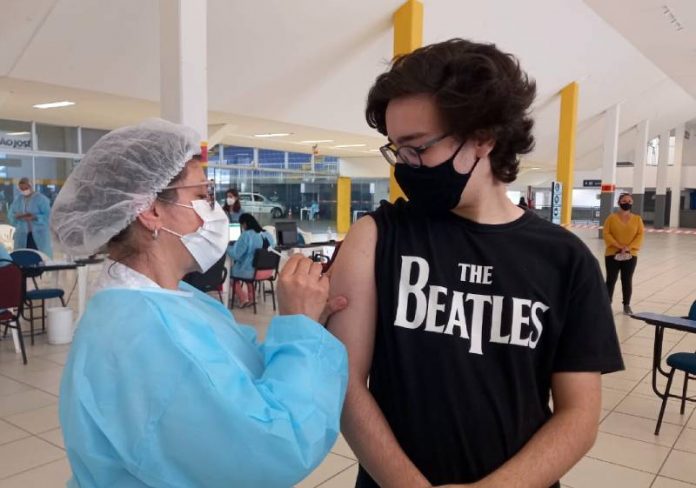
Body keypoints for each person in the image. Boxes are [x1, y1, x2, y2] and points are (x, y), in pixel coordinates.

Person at [327, 39, 624, 488]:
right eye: (396, 150)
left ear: (483, 137)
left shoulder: (565, 260)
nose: (405, 166)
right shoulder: (377, 237)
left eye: (418, 147)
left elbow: (579, 415)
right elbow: (346, 384)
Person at [51, 119, 349, 488]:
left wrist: (310, 319)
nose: (215, 209)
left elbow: (238, 372)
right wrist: (300, 329)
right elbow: (275, 447)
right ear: (151, 211)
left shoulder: (170, 299)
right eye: (203, 195)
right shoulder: (145, 333)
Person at [603, 192, 644, 315]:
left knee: (627, 279)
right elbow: (606, 233)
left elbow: (640, 235)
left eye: (629, 201)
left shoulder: (637, 219)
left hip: (630, 254)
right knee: (611, 279)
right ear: (619, 202)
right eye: (624, 201)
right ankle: (606, 304)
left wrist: (628, 248)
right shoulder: (611, 218)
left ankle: (626, 305)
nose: (627, 203)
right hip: (612, 253)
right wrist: (618, 246)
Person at [228, 213, 276, 306]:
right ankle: (252, 298)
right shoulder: (267, 234)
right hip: (267, 272)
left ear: (245, 224)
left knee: (231, 275)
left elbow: (236, 254)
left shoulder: (246, 235)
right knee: (247, 272)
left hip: (252, 272)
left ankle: (243, 298)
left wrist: (227, 247)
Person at [8, 177, 53, 257]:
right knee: (23, 258)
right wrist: (17, 216)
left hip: (39, 235)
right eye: (21, 189)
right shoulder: (18, 200)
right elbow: (11, 215)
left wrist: (35, 217)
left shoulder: (41, 199)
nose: (24, 190)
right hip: (22, 235)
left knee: (39, 258)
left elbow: (49, 216)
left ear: (31, 186)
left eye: (26, 188)